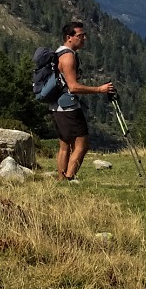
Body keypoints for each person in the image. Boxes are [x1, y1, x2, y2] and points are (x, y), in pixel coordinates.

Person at [51, 22, 115, 182]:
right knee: (82, 145)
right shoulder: (68, 57)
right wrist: (100, 89)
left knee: (65, 145)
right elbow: (73, 87)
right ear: (69, 38)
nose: (84, 39)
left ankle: (61, 179)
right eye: (80, 36)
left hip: (56, 105)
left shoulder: (58, 53)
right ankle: (70, 178)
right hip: (69, 106)